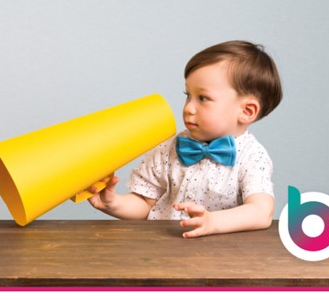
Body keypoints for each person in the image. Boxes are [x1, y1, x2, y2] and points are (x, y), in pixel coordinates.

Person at [88, 40, 282, 238]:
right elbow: (144, 205)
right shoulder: (168, 149)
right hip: (163, 251)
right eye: (188, 95)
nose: (188, 107)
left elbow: (261, 212)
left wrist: (213, 222)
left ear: (247, 111)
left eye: (203, 98)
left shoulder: (252, 156)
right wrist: (113, 203)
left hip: (225, 257)